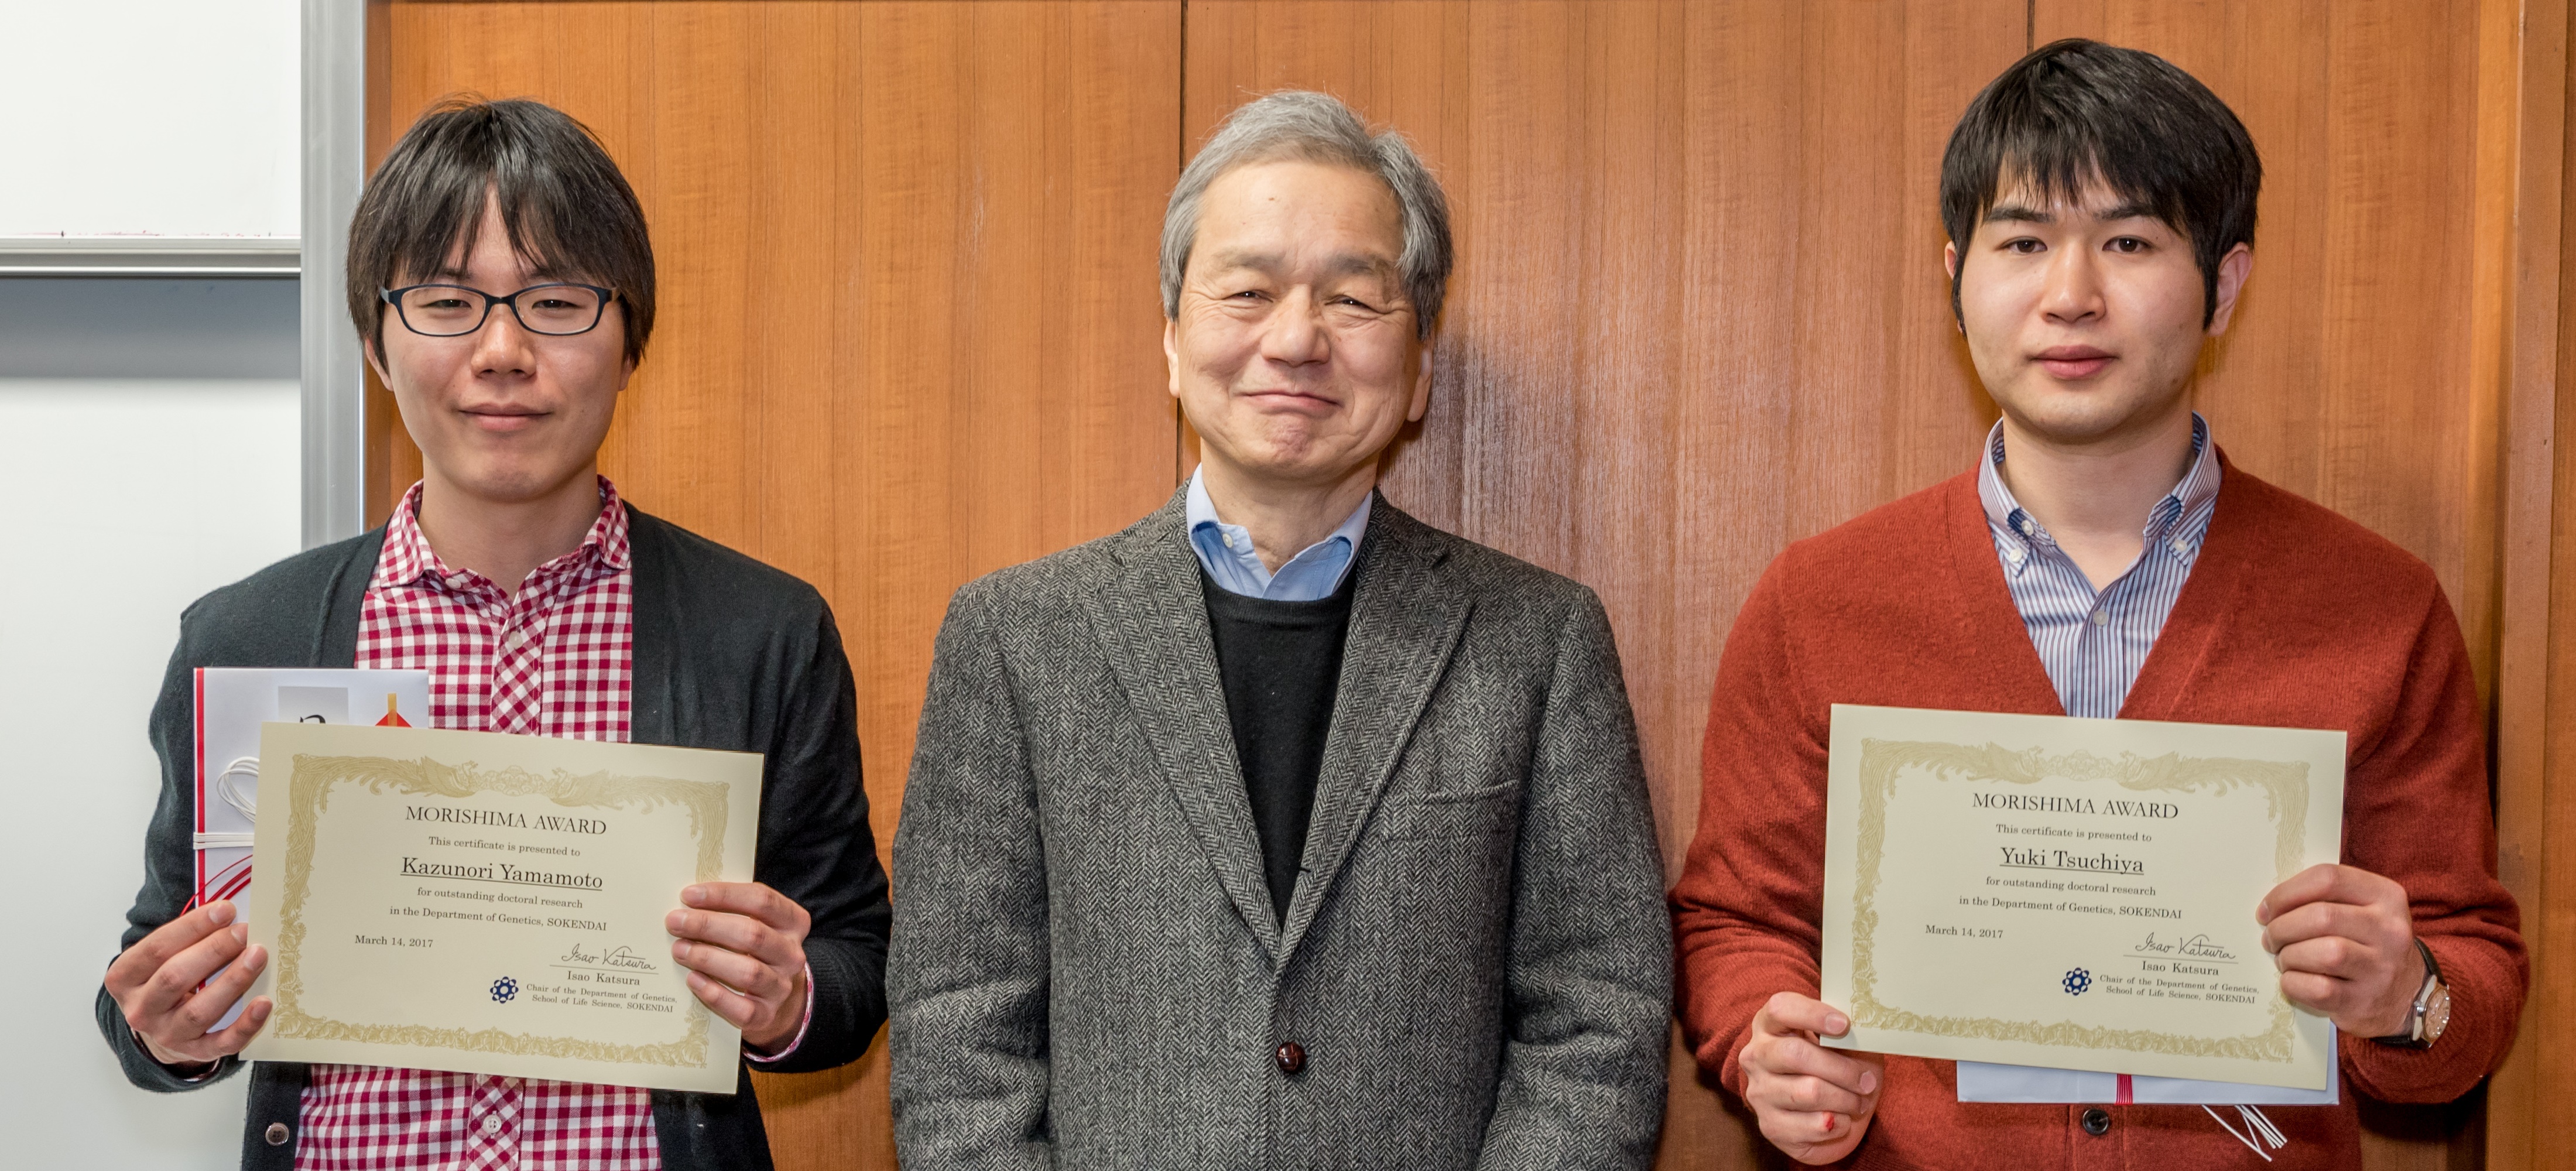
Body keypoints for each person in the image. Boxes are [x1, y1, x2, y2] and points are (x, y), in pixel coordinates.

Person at [1670, 39, 2527, 1169]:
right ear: (1956, 277)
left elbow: (2470, 976)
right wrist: (1762, 1042)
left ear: (2223, 283)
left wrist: (2411, 993)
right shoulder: (1820, 600)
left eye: (2129, 242)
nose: (2070, 296)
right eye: (2022, 242)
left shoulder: (2378, 605)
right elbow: (1738, 921)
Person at [95, 97, 890, 1171]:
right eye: (447, 301)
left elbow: (854, 961)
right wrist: (163, 1028)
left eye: (556, 300)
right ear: (378, 345)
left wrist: (788, 997)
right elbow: (155, 968)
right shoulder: (248, 634)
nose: (504, 351)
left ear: (630, 340)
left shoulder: (763, 632)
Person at [886, 90, 1672, 1169]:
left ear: (1419, 369)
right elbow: (958, 1031)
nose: (1296, 339)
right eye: (1248, 290)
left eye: (1354, 299)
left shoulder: (1539, 643)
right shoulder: (1017, 639)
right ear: (1171, 340)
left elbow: (1598, 1019)